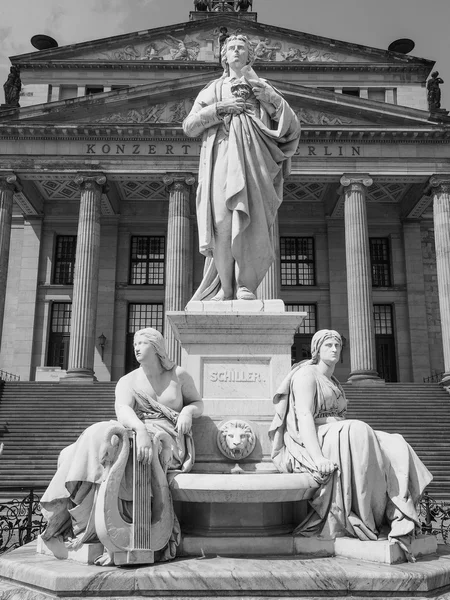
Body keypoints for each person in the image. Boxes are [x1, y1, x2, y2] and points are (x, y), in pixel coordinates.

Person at [40, 328, 203, 565]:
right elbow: (123, 410)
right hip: (139, 430)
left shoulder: (179, 376)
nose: (136, 347)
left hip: (168, 439)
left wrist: (188, 410)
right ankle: (81, 522)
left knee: (119, 445)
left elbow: (198, 403)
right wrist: (139, 430)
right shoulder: (128, 380)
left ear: (156, 346)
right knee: (97, 437)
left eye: (142, 343)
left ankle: (112, 531)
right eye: (135, 343)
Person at [268, 329, 432, 560]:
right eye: (329, 345)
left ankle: (397, 514)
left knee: (396, 442)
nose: (334, 349)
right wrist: (317, 458)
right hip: (314, 438)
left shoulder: (333, 381)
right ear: (316, 349)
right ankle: (367, 518)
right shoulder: (306, 375)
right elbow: (304, 416)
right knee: (358, 429)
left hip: (339, 433)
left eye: (338, 346)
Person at [183, 35, 300, 301]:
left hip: (255, 160)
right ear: (223, 56)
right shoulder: (212, 89)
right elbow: (189, 126)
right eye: (231, 48)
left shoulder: (262, 86)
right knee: (222, 223)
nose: (236, 52)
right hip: (223, 157)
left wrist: (272, 99)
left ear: (250, 56)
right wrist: (218, 109)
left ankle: (246, 284)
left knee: (252, 224)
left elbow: (292, 127)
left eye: (242, 48)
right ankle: (225, 288)